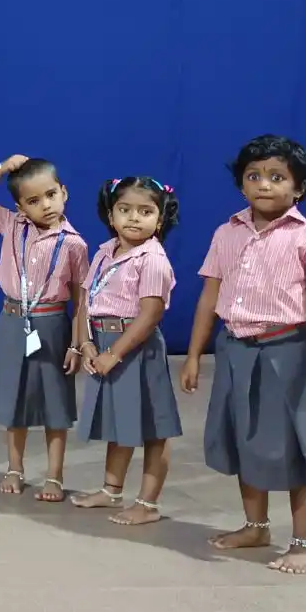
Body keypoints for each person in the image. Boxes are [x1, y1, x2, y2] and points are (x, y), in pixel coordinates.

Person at [181, 135, 306, 575]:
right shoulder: (227, 232)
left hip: (290, 352)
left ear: (299, 188)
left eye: (278, 177)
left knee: (299, 448)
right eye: (254, 176)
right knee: (246, 439)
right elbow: (209, 296)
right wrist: (194, 354)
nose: (264, 185)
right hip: (236, 349)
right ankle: (255, 526)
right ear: (241, 184)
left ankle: (305, 542)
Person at [0, 155, 90, 502]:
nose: (45, 206)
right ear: (20, 206)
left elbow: (82, 300)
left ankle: (54, 475)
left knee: (55, 403)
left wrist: (77, 344)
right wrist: (1, 170)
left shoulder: (73, 244)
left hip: (52, 324)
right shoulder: (11, 225)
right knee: (15, 399)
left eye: (51, 195)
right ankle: (15, 467)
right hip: (13, 322)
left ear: (64, 192)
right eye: (33, 201)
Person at [69, 178, 182, 525]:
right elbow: (86, 300)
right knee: (120, 422)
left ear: (159, 219)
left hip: (134, 348)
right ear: (111, 214)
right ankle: (111, 490)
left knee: (152, 427)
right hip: (101, 342)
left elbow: (150, 315)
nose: (134, 218)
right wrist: (85, 343)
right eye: (125, 210)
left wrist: (114, 354)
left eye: (146, 212)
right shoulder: (105, 251)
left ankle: (147, 504)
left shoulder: (152, 260)